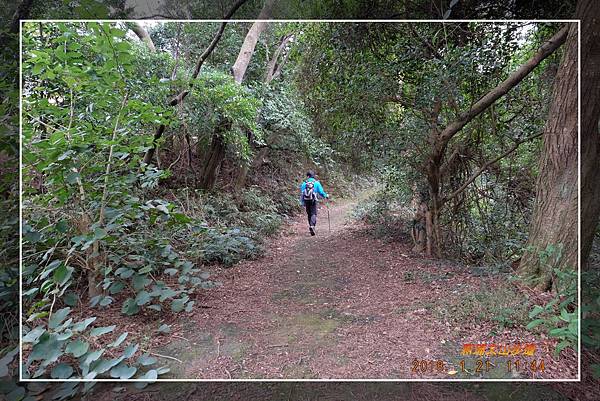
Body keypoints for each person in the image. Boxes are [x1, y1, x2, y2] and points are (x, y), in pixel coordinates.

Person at [299, 170, 328, 236]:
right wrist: (326, 195)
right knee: (313, 213)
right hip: (313, 200)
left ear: (308, 176)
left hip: (306, 200)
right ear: (314, 176)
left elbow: (302, 193)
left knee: (309, 213)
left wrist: (302, 202)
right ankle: (312, 226)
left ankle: (311, 226)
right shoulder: (316, 183)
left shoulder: (304, 183)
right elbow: (321, 192)